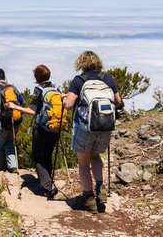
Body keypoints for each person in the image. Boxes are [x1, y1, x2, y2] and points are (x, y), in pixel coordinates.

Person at [62, 51, 123, 213]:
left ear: (81, 63)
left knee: (83, 162)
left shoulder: (79, 80)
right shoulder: (108, 79)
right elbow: (118, 102)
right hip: (105, 127)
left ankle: (88, 198)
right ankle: (101, 188)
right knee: (96, 156)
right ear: (98, 62)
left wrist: (63, 99)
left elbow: (68, 105)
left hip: (84, 126)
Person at [8, 64, 60, 199]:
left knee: (37, 156)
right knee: (47, 155)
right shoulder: (55, 88)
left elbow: (32, 111)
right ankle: (48, 183)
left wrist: (15, 107)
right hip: (56, 128)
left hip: (42, 128)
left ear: (36, 77)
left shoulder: (39, 89)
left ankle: (48, 186)